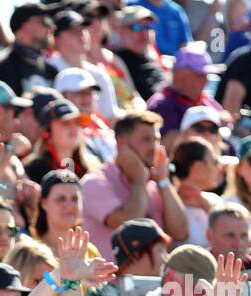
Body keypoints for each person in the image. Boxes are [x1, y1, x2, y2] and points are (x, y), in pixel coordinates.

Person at [80, 110, 188, 260]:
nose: (153, 148)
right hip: (108, 280)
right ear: (122, 144)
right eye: (146, 140)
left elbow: (181, 232)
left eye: (156, 140)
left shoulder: (155, 184)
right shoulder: (95, 183)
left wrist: (164, 181)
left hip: (154, 281)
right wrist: (139, 181)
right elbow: (131, 229)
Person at [144, 44, 222, 142]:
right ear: (180, 75)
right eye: (199, 75)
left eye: (206, 75)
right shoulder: (161, 105)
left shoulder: (206, 100)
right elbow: (164, 143)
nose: (205, 80)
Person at [0, 3, 57, 96]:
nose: (52, 27)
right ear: (24, 25)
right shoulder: (1, 67)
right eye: (45, 21)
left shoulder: (52, 70)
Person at [114, 7, 167, 101]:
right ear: (121, 31)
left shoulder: (151, 58)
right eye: (136, 27)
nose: (144, 33)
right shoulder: (116, 62)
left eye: (148, 27)